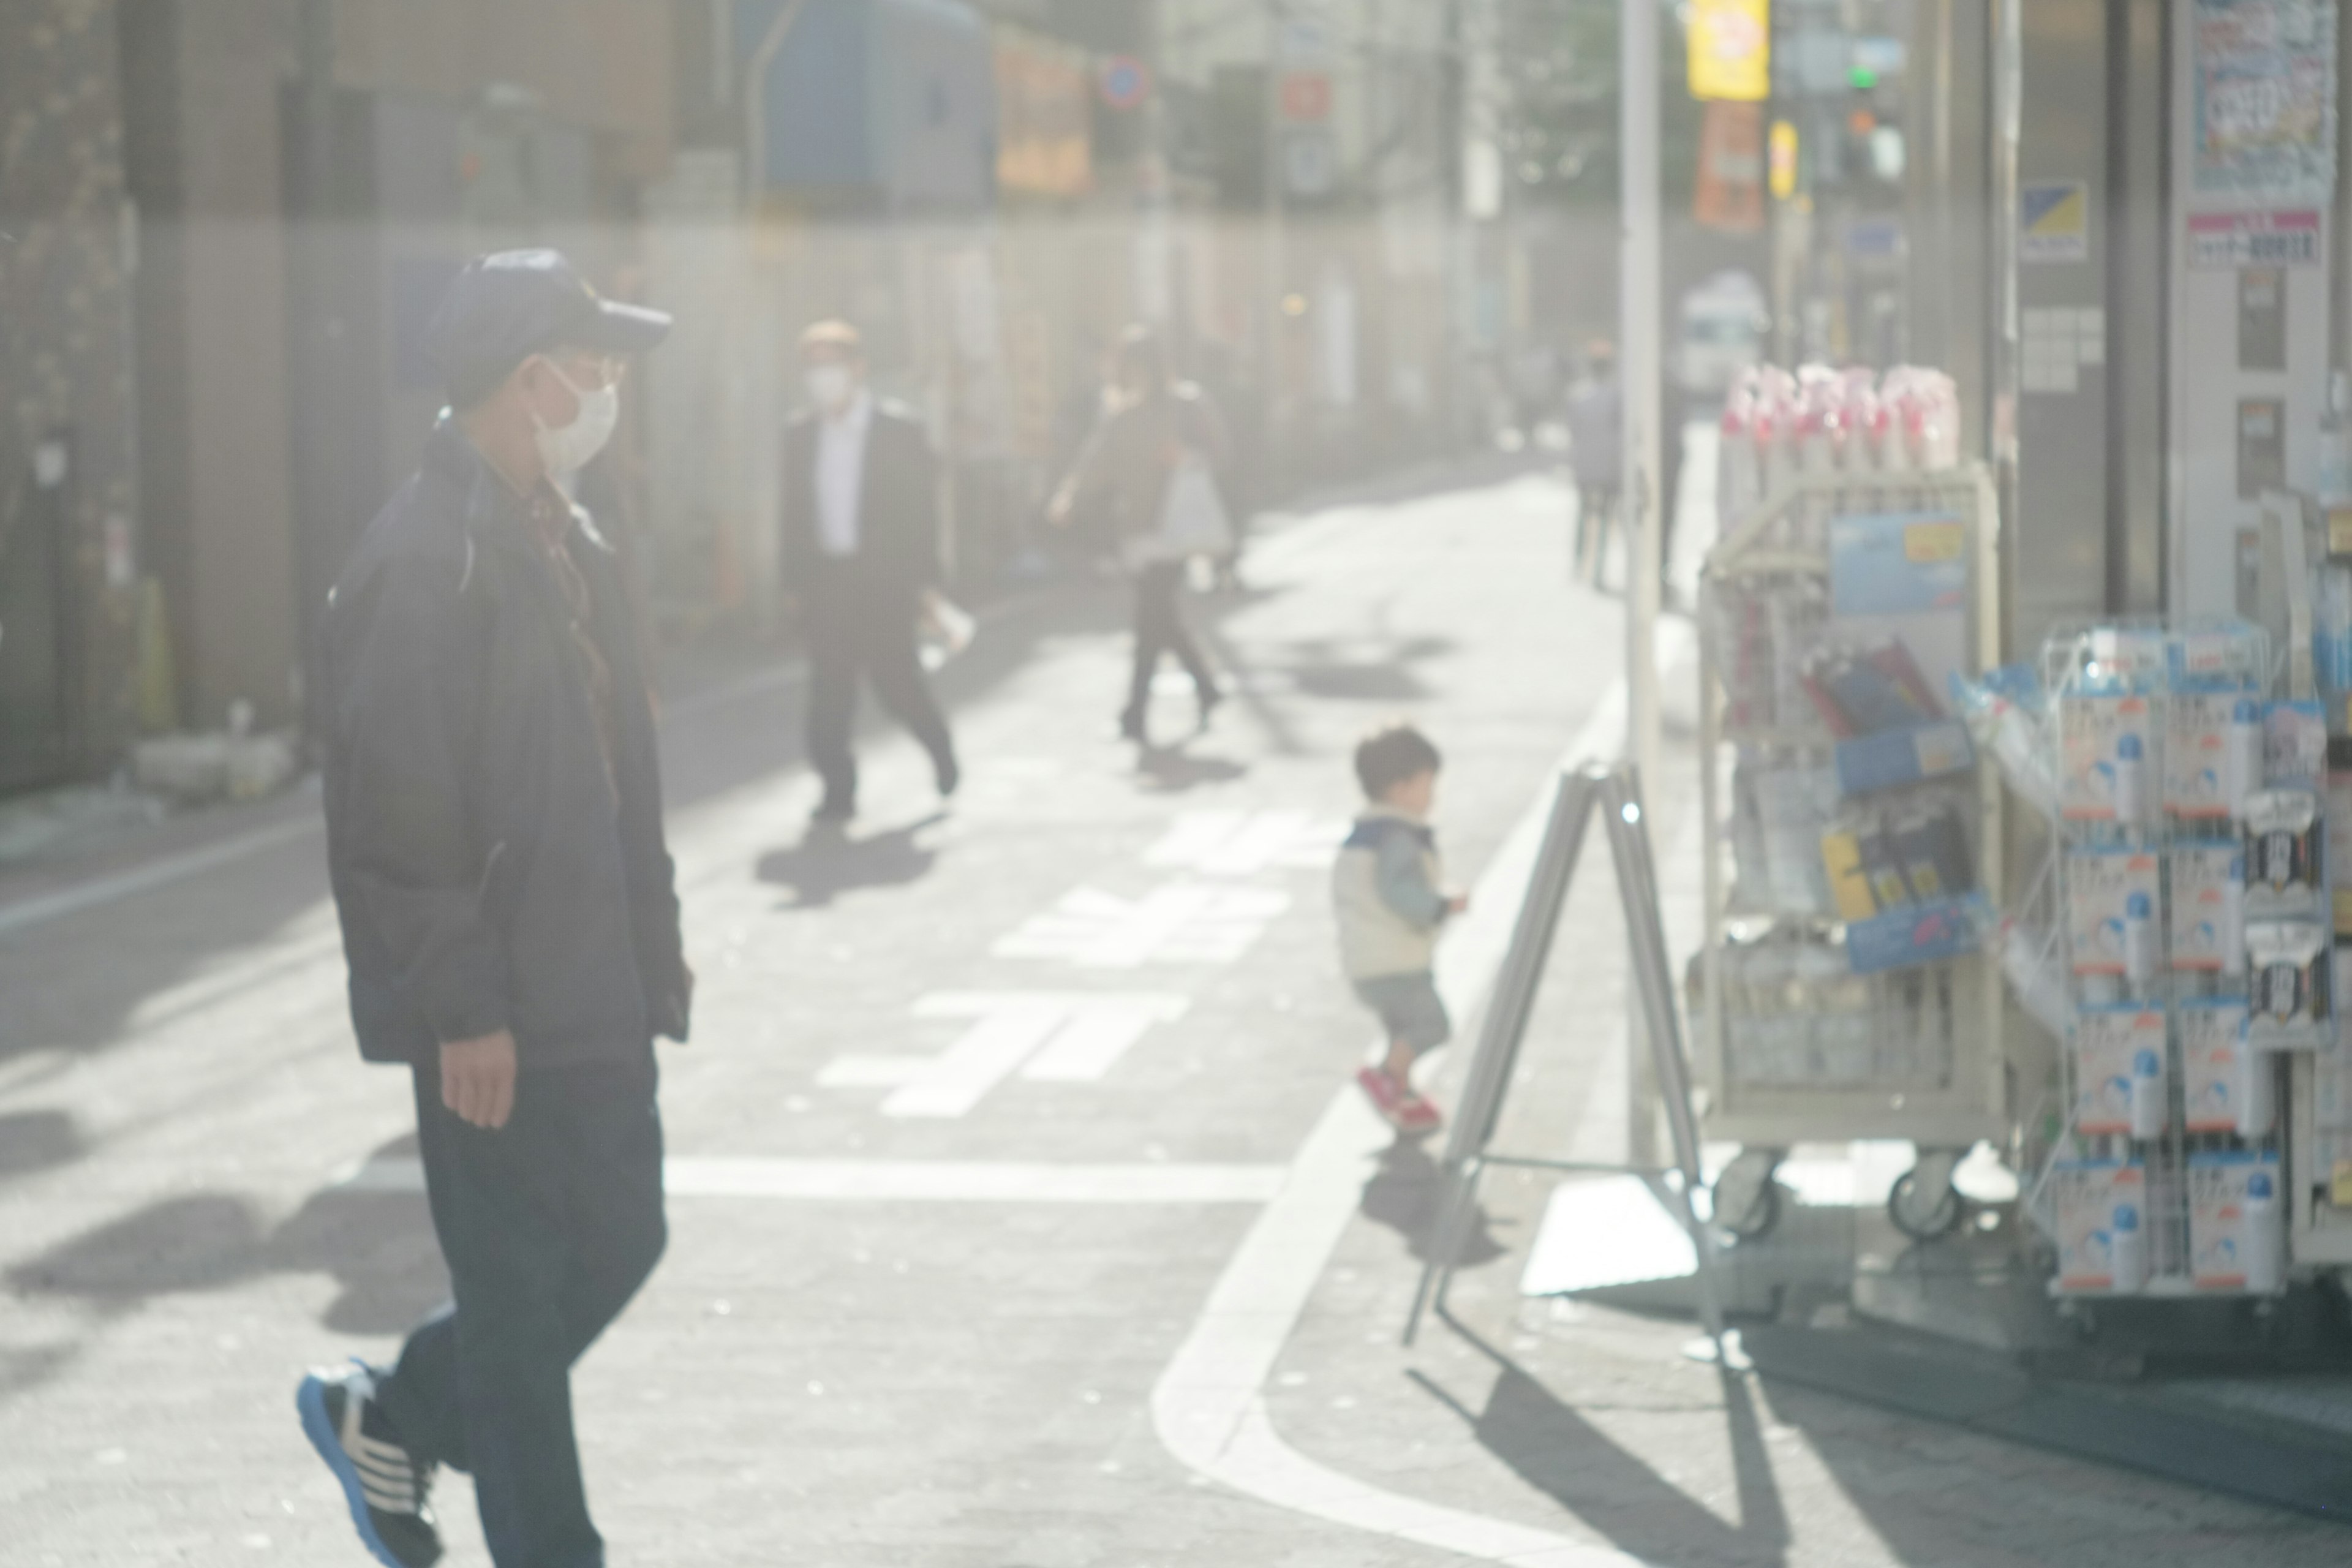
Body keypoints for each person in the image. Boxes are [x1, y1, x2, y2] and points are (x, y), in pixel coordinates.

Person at [298, 249, 692, 1568]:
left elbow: (609, 774)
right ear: (535, 381)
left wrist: (653, 958)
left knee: (626, 1232)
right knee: (519, 1313)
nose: (609, 386)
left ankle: (394, 1410)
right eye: (597, 362)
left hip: (593, 987)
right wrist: (462, 1006)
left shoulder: (564, 535)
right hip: (499, 1012)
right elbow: (397, 823)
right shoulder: (423, 561)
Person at [780, 320, 960, 823]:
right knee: (829, 694)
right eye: (812, 366)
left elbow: (923, 512)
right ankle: (839, 790)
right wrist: (792, 586)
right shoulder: (798, 435)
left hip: (885, 582)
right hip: (827, 582)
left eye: (831, 364)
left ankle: (940, 749)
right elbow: (793, 519)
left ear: (858, 368)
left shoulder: (899, 430)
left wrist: (928, 583)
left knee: (897, 683)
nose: (821, 377)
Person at [1048, 325, 1229, 746]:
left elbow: (1224, 454)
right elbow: (1096, 461)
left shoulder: (1187, 405)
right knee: (1161, 618)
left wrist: (1187, 457)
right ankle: (1205, 688)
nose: (1131, 373)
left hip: (1175, 526)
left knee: (1151, 620)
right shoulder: (1120, 414)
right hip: (1135, 530)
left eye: (1137, 364)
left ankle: (1135, 713)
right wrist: (1069, 496)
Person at [1333, 722, 1466, 1134]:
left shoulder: (1365, 834)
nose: (1433, 796)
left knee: (1401, 1030)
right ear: (1400, 788)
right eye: (1428, 785)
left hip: (1367, 960)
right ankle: (1387, 1078)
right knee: (1431, 1026)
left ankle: (1404, 1097)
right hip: (1394, 963)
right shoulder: (1399, 839)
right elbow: (1401, 894)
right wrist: (1441, 905)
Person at [1564, 339, 1622, 587]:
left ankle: (1579, 564)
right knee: (1606, 516)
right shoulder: (1616, 396)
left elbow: (1573, 431)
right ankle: (1598, 568)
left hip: (1584, 464)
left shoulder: (1578, 396)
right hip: (1609, 465)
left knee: (1584, 515)